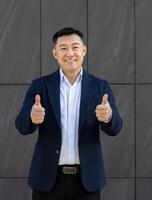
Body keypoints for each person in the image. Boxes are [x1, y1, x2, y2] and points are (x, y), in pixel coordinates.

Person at [15, 27, 123, 200]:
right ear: (55, 53)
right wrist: (31, 117)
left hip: (87, 180)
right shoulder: (40, 86)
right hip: (47, 177)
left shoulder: (100, 87)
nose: (70, 53)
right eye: (63, 48)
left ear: (84, 50)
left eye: (75, 47)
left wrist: (108, 116)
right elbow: (21, 125)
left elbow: (116, 127)